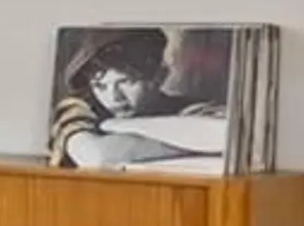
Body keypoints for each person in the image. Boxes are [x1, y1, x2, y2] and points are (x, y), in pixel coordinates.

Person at [49, 28, 230, 170]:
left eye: (127, 82)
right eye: (100, 86)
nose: (114, 97)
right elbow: (97, 156)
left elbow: (225, 136)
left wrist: (119, 127)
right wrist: (193, 142)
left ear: (160, 76)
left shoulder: (184, 108)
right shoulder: (78, 107)